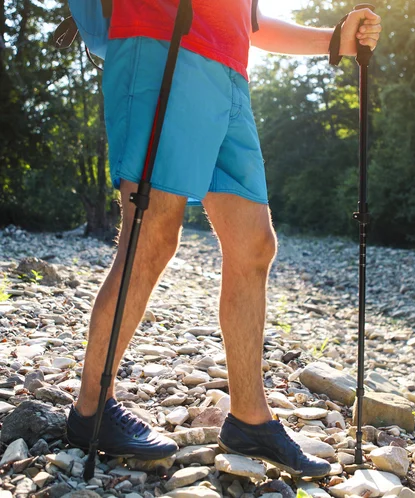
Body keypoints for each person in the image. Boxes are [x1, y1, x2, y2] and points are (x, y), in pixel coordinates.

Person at [66, 0, 382, 478]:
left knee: (255, 245)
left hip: (229, 74)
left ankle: (250, 419)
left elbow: (248, 22)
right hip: (160, 45)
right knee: (151, 234)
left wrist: (332, 39)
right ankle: (90, 409)